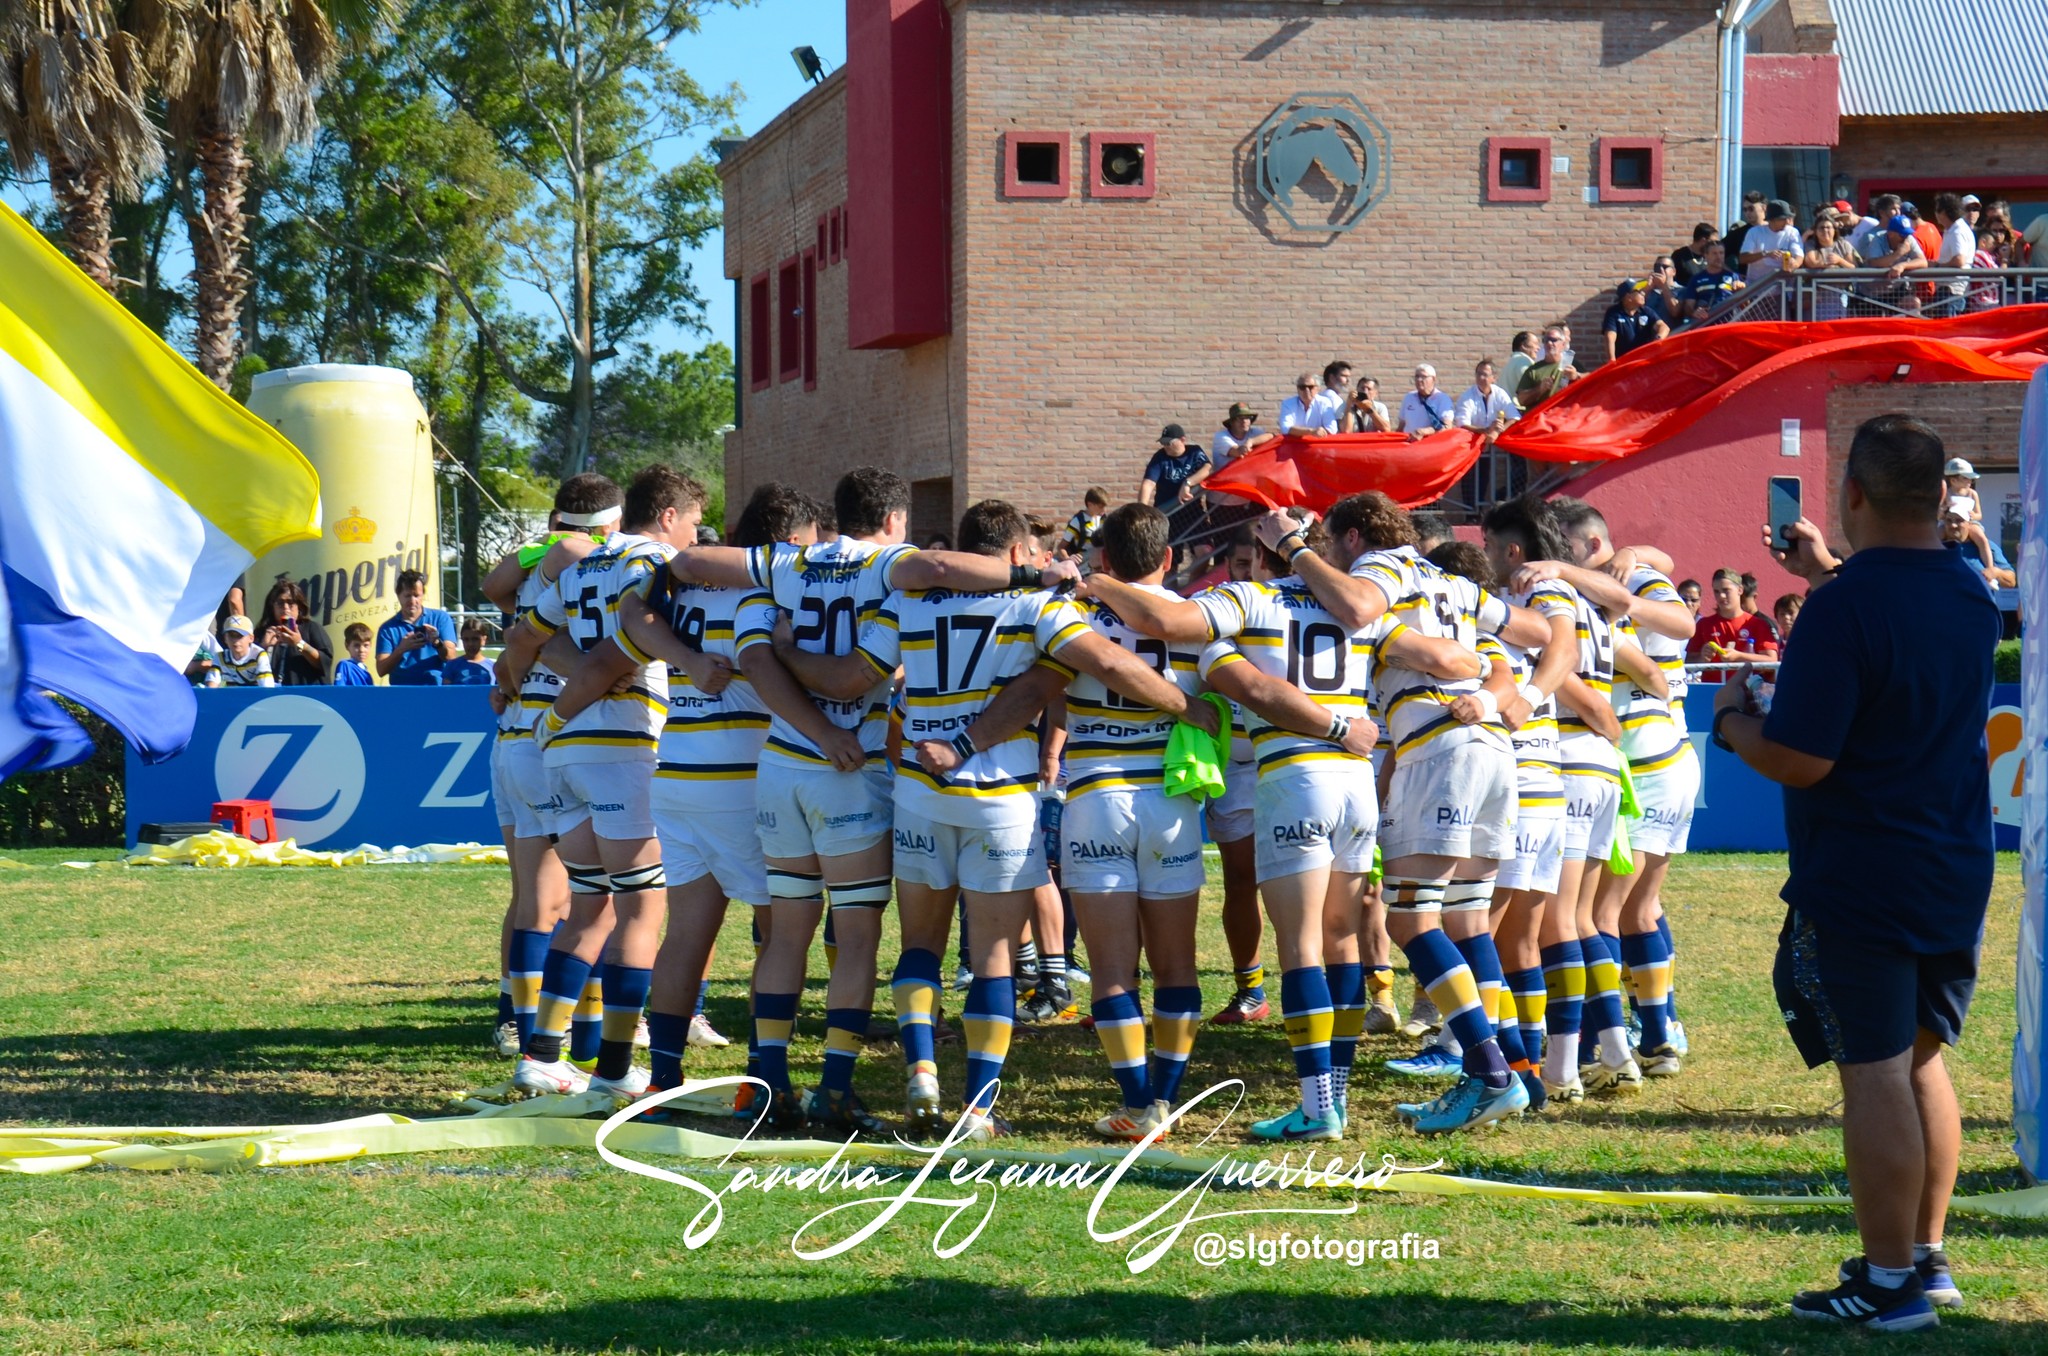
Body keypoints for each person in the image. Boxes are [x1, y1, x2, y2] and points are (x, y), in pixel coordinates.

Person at [779, 498, 1217, 1141]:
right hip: (1001, 797)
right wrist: (1187, 706)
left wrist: (775, 654)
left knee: (920, 948)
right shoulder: (1036, 603)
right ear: (1016, 554)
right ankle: (978, 1110)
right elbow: (1110, 664)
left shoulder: (908, 602)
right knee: (992, 959)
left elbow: (848, 680)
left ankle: (922, 1073)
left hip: (922, 793)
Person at [1715, 414, 1996, 1330]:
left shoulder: (1844, 609)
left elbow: (1801, 757)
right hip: (1952, 862)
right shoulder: (1967, 591)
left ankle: (1887, 1289)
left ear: (1854, 495)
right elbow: (1897, 615)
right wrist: (1827, 572)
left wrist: (1732, 722)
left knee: (1873, 1071)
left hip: (1865, 867)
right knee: (1920, 1061)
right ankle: (1923, 1258)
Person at [497, 467, 708, 1102]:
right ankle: (614, 1068)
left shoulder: (586, 562)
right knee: (643, 907)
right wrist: (633, 668)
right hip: (622, 747)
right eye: (695, 521)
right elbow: (641, 627)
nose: (697, 535)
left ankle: (541, 1055)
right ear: (668, 516)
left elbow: (523, 636)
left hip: (565, 750)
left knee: (591, 906)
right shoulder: (657, 558)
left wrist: (584, 674)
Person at [1688, 567, 1778, 681]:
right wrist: (1702, 657)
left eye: (1726, 590)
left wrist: (1738, 656)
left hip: (1747, 693)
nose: (1721, 596)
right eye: (1716, 591)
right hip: (1711, 693)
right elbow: (1688, 663)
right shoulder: (1704, 624)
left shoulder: (1757, 624)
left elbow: (1772, 661)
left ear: (1740, 590)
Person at [377, 570, 459, 685]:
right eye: (407, 596)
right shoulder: (387, 629)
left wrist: (437, 643)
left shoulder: (441, 618)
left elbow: (451, 658)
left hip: (435, 689)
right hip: (403, 692)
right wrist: (401, 649)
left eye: (416, 595)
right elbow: (381, 669)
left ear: (423, 595)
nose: (412, 601)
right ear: (398, 595)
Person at [256, 579, 332, 685]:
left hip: (307, 697)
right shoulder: (263, 633)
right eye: (280, 603)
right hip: (272, 698)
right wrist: (263, 646)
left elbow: (325, 662)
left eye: (291, 603)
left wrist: (299, 643)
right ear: (272, 607)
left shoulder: (311, 628)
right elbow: (247, 667)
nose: (286, 608)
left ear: (299, 607)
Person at [1137, 425, 1210, 507]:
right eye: (1163, 443)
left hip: (1192, 511)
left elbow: (1208, 468)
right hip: (1167, 511)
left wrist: (1187, 483)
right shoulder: (1159, 457)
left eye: (1168, 443)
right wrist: (1142, 509)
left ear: (1182, 440)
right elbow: (1148, 484)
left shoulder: (1194, 452)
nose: (1165, 446)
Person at [1737, 199, 1802, 285]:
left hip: (1782, 291)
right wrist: (1765, 254)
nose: (1787, 222)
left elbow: (1799, 255)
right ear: (1772, 220)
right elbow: (1743, 258)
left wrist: (1795, 263)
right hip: (1755, 291)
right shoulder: (1754, 232)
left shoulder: (1793, 232)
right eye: (1783, 219)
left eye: (1788, 218)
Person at [1516, 326, 1578, 410]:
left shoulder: (1571, 364)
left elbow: (1592, 380)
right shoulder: (1533, 370)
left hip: (1564, 418)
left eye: (1553, 340)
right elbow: (1521, 399)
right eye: (1546, 340)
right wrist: (1540, 389)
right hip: (1540, 419)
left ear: (1563, 344)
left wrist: (1576, 376)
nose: (1549, 343)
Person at [1601, 282, 1667, 361]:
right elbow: (1610, 337)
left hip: (1645, 360)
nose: (1643, 293)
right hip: (1624, 362)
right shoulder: (1614, 313)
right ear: (1628, 297)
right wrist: (1612, 361)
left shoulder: (1646, 311)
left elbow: (1663, 326)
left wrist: (1658, 339)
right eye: (1639, 292)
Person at [1454, 360, 1519, 437]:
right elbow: (1462, 424)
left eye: (1485, 374)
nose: (1481, 377)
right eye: (1478, 374)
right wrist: (1486, 430)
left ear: (1494, 378)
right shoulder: (1467, 397)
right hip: (1474, 441)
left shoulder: (1500, 393)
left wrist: (1500, 429)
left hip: (1497, 441)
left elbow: (1515, 417)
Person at [1683, 240, 1744, 319]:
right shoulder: (1696, 279)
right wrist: (1694, 312)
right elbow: (1688, 306)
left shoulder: (1734, 277)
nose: (1718, 257)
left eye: (1721, 253)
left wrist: (1742, 291)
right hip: (1706, 323)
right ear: (1705, 255)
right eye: (1714, 253)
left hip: (1729, 323)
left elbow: (1745, 306)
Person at [1397, 364, 1455, 440]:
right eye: (1417, 376)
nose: (1419, 380)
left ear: (1433, 379)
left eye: (1423, 377)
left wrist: (1425, 431)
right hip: (1409, 444)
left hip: (1430, 445)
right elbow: (1402, 426)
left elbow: (1447, 426)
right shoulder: (1409, 397)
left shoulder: (1442, 399)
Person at [214, 615, 274, 687]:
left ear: (251, 638)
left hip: (257, 697)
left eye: (240, 635)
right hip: (233, 697)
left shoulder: (259, 655)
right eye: (231, 635)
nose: (235, 640)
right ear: (225, 638)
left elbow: (266, 688)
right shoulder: (219, 657)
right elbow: (211, 688)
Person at [1061, 487, 1109, 562]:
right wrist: (1068, 559)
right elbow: (1061, 547)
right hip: (1084, 565)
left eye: (1105, 506)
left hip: (1102, 562)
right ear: (1090, 504)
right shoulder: (1078, 521)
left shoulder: (1104, 520)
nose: (1104, 510)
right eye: (1100, 507)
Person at [442, 619, 497, 684]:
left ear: (484, 640)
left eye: (475, 639)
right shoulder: (452, 665)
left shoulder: (493, 667)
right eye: (466, 639)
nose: (470, 644)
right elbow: (446, 691)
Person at [1501, 331, 1540, 396]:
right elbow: (1530, 388)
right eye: (1535, 343)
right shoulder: (1524, 362)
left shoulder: (1510, 363)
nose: (1538, 348)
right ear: (1524, 346)